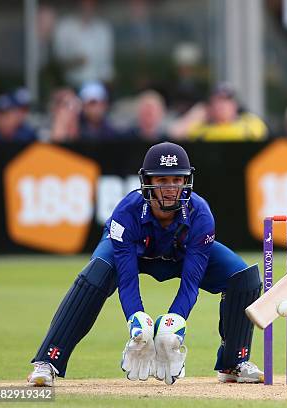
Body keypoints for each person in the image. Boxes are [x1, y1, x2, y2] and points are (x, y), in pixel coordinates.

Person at [27, 142, 264, 386]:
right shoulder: (126, 213)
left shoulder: (200, 214)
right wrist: (136, 321)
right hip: (134, 255)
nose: (171, 188)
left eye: (177, 180)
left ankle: (233, 363)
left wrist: (175, 322)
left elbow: (191, 281)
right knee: (95, 274)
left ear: (186, 181)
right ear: (147, 183)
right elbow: (127, 279)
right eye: (162, 181)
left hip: (180, 256)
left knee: (243, 278)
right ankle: (48, 361)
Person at [169, 83, 268, 142]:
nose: (222, 105)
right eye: (217, 100)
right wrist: (198, 112)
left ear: (235, 105)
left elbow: (262, 132)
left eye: (226, 100)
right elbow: (174, 133)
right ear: (210, 106)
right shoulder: (201, 130)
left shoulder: (249, 125)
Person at [53, 0, 114, 87]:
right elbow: (57, 61)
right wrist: (73, 62)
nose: (87, 6)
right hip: (72, 84)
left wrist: (109, 83)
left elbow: (107, 65)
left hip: (99, 84)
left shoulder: (103, 29)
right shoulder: (64, 27)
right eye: (84, 3)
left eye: (91, 3)